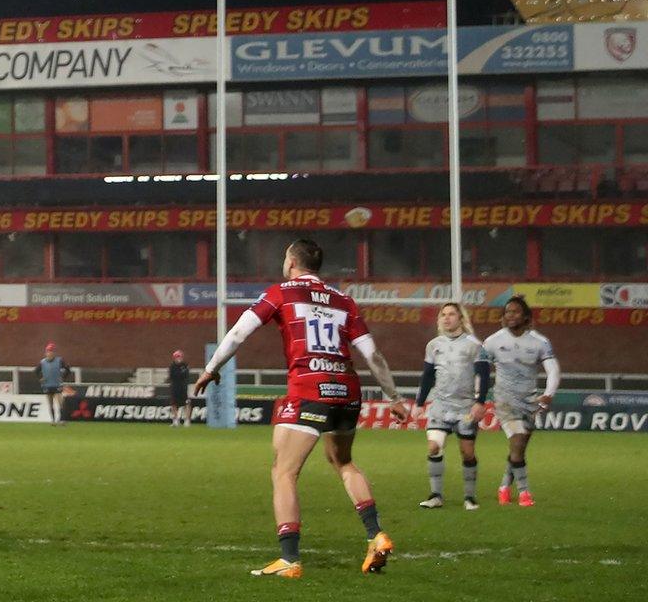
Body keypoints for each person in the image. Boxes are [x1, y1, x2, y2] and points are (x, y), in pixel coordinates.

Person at [192, 238, 408, 578]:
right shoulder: (343, 301)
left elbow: (237, 333)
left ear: (292, 261)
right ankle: (376, 535)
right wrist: (393, 398)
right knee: (343, 461)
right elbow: (373, 355)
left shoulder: (281, 292)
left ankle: (290, 559)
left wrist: (211, 368)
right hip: (347, 390)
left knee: (284, 471)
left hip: (310, 386)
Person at [483, 295, 559, 507]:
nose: (510, 315)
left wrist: (548, 393)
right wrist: (478, 395)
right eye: (507, 312)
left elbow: (553, 370)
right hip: (505, 402)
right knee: (517, 441)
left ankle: (504, 487)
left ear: (525, 316)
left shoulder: (539, 342)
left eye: (515, 312)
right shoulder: (493, 341)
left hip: (530, 402)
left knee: (519, 449)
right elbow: (480, 370)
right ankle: (524, 493)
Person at [417, 302, 490, 510]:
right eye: (443, 315)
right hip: (440, 405)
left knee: (467, 453)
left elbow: (484, 375)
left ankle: (469, 497)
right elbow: (428, 375)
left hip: (465, 408)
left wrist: (480, 402)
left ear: (461, 318)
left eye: (451, 314)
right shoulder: (433, 345)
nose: (447, 318)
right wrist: (420, 402)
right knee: (433, 448)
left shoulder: (474, 345)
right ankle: (436, 495)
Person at [37, 344, 67, 425]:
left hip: (57, 385)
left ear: (54, 353)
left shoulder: (59, 361)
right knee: (50, 403)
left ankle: (61, 419)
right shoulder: (42, 362)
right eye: (48, 351)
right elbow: (36, 371)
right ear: (46, 353)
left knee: (60, 402)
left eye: (51, 351)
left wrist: (63, 377)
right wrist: (41, 378)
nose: (50, 353)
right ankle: (53, 420)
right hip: (47, 385)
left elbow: (67, 369)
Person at [167, 350, 192, 428]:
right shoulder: (172, 366)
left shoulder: (185, 365)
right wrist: (180, 374)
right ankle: (176, 420)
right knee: (174, 404)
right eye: (177, 357)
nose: (179, 358)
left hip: (183, 387)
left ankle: (187, 420)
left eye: (180, 356)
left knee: (187, 403)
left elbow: (186, 375)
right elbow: (172, 376)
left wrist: (180, 374)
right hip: (175, 387)